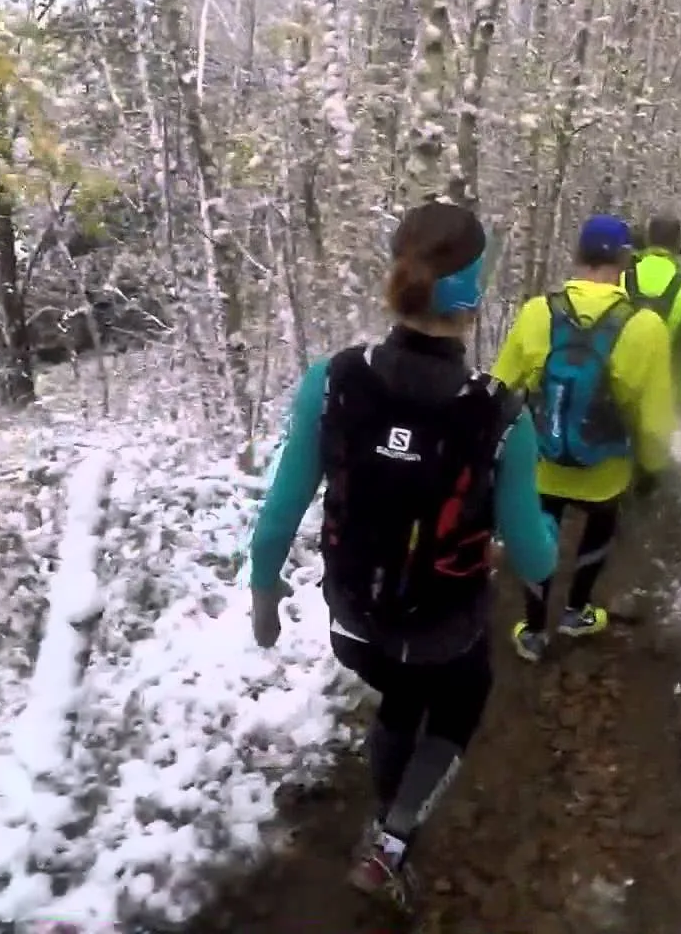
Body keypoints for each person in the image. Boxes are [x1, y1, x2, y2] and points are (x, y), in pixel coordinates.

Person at [246, 199, 560, 911]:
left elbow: (276, 520)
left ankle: (387, 798)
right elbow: (537, 560)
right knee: (459, 700)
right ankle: (391, 839)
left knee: (396, 697)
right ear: (474, 297)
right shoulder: (501, 414)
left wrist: (264, 601)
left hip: (354, 625)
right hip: (447, 636)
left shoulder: (331, 380)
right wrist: (536, 523)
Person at [492, 213, 675, 663]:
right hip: (606, 469)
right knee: (598, 530)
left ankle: (533, 631)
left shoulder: (538, 312)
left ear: (576, 257)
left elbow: (498, 387)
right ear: (626, 261)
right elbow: (654, 421)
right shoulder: (646, 328)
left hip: (543, 459)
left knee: (541, 536)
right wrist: (652, 466)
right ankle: (576, 612)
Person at [625, 215, 681, 410]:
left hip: (618, 386)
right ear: (678, 246)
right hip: (662, 395)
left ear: (647, 242)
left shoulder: (624, 277)